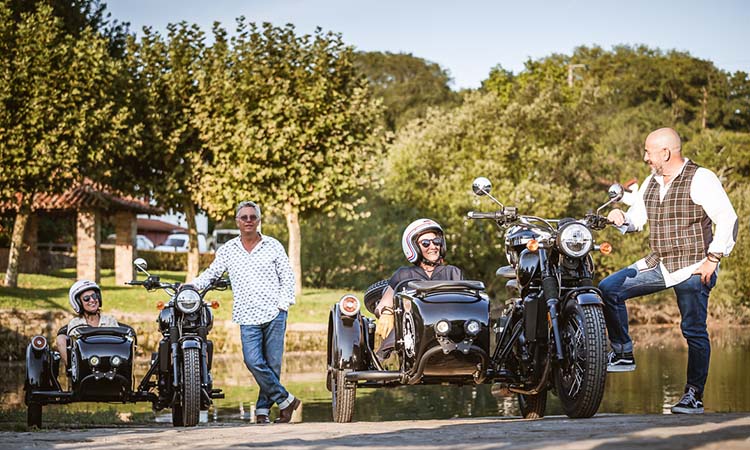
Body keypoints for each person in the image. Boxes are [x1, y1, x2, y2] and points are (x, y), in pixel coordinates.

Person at [600, 127, 738, 414]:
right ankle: (623, 352)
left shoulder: (701, 178)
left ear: (666, 152)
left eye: (649, 152)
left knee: (693, 330)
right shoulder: (652, 182)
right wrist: (619, 217)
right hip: (659, 263)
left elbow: (728, 219)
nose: (645, 157)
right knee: (608, 289)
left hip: (693, 267)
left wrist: (713, 258)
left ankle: (693, 396)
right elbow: (636, 220)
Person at [190, 201, 299, 424]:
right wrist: (192, 286)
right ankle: (286, 399)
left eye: (253, 217)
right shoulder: (228, 249)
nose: (249, 220)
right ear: (237, 222)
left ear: (259, 220)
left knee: (272, 364)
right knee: (253, 361)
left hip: (274, 312)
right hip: (247, 314)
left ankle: (263, 410)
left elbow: (287, 277)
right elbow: (212, 273)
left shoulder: (273, 245)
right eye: (244, 217)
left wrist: (283, 305)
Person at [374, 218, 463, 355]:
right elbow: (382, 305)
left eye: (436, 242)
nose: (433, 246)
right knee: (384, 354)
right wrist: (387, 312)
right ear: (414, 248)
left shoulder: (453, 272)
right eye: (426, 243)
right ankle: (381, 371)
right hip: (409, 332)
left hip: (447, 329)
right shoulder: (402, 274)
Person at [56, 280, 119, 367]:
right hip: (84, 368)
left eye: (94, 296)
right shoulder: (75, 324)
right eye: (86, 298)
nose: (92, 300)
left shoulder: (110, 320)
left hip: (109, 365)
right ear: (78, 303)